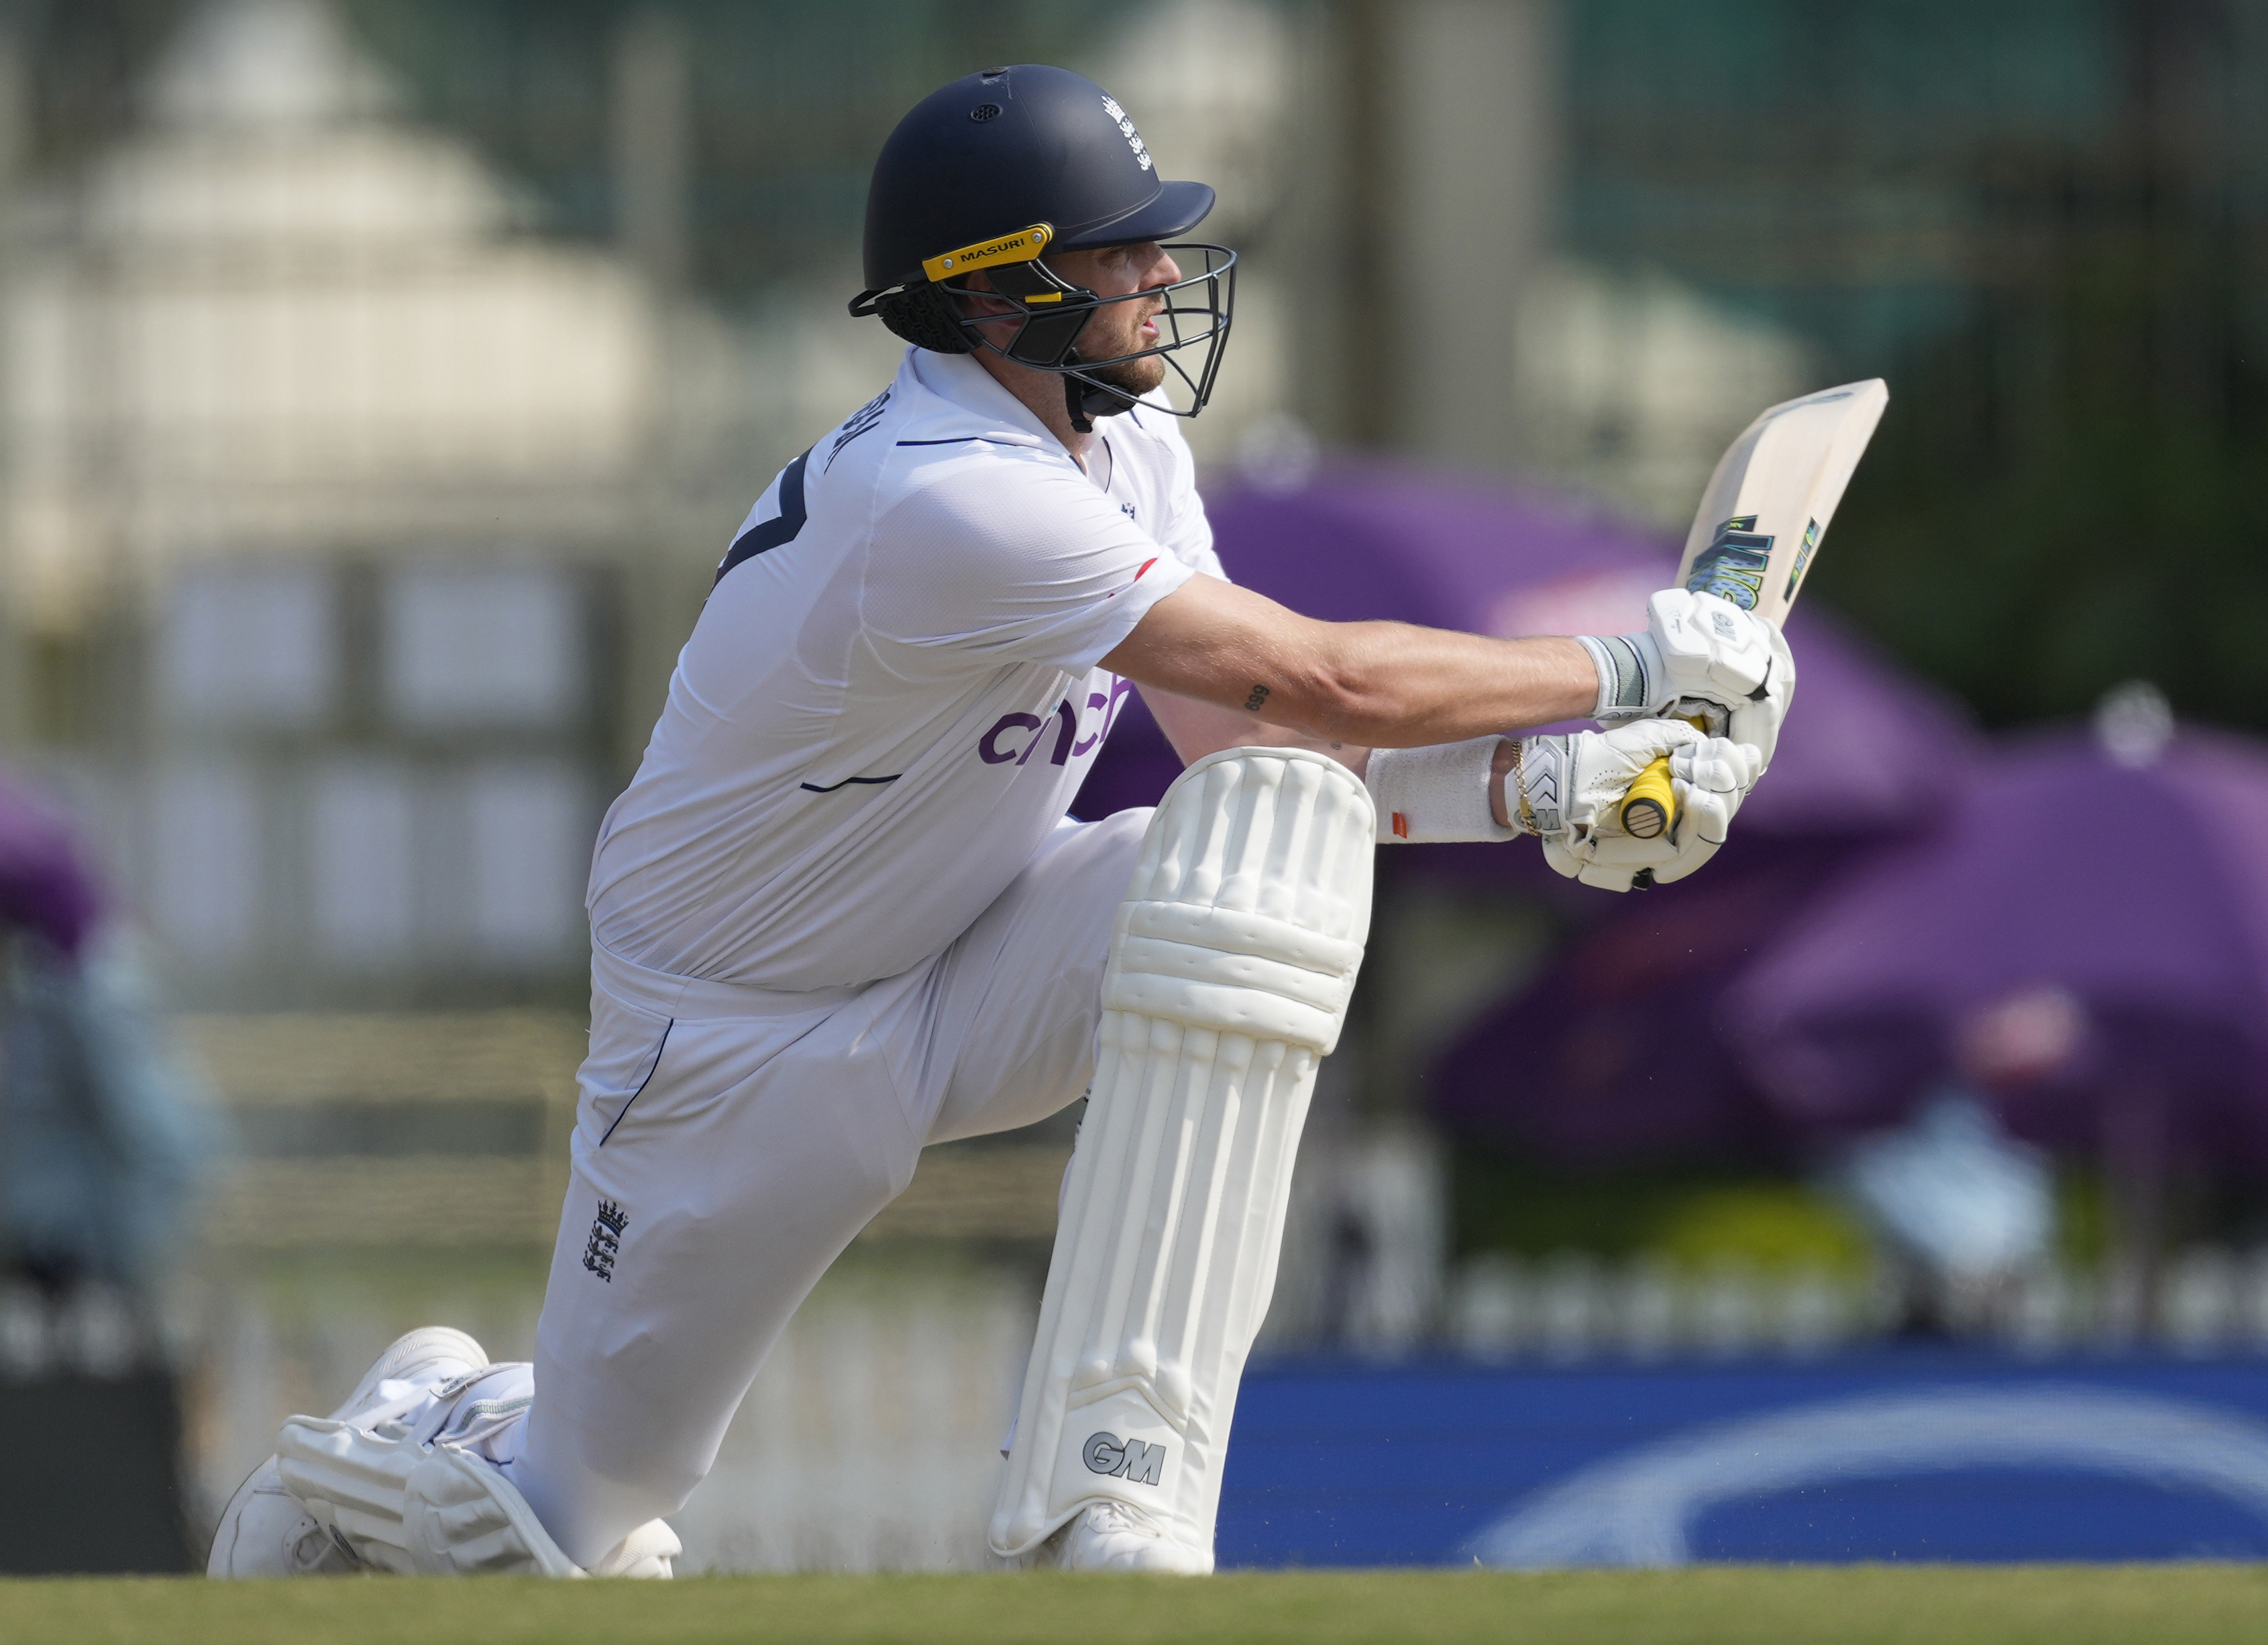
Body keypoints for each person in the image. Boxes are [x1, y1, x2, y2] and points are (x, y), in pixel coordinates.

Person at [210, 63, 1788, 1580]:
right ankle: (428, 1421)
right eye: (1120, 250)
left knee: (1268, 834)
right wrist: (1631, 662)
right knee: (564, 1537)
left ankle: (1121, 1491)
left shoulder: (1127, 448)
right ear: (992, 294)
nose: (1165, 271)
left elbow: (1248, 744)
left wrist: (1542, 792)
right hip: (736, 1035)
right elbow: (1312, 673)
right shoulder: (945, 494)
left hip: (971, 954)